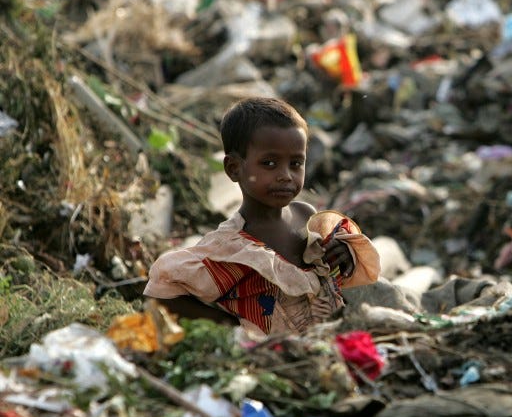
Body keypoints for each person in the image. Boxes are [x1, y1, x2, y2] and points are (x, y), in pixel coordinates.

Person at [144, 97, 380, 338]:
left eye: (296, 163)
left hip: (327, 348)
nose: (286, 175)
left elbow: (338, 270)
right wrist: (230, 326)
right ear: (234, 168)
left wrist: (344, 255)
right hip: (270, 358)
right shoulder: (231, 246)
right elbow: (161, 292)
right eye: (269, 163)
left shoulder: (305, 216)